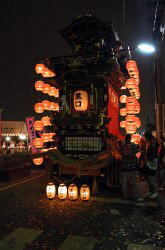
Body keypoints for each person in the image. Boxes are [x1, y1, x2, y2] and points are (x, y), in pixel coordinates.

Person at [120, 134, 143, 203]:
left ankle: (126, 196)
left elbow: (121, 153)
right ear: (130, 138)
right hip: (132, 167)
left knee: (124, 183)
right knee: (134, 183)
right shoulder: (133, 145)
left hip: (124, 167)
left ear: (125, 138)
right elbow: (138, 149)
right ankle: (135, 196)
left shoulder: (123, 146)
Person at [140, 132, 159, 198]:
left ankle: (155, 192)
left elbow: (153, 154)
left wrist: (146, 155)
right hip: (149, 161)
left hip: (152, 162)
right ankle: (151, 191)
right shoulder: (149, 142)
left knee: (151, 177)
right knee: (148, 177)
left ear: (147, 137)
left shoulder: (152, 142)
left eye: (144, 137)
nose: (143, 138)